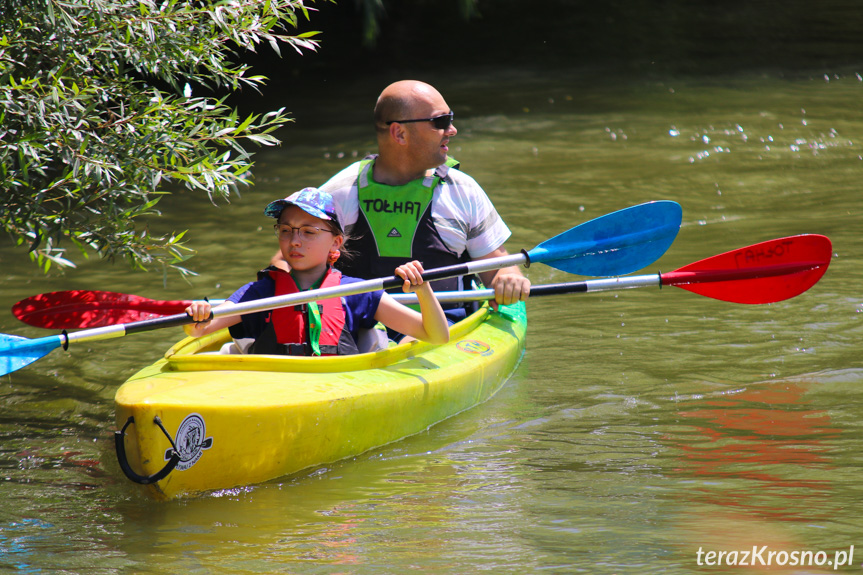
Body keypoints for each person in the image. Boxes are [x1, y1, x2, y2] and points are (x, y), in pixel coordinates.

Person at [273, 80, 530, 324]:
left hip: (445, 327)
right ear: (399, 133)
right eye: (440, 121)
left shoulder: (463, 191)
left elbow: (497, 268)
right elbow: (286, 260)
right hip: (358, 326)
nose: (452, 130)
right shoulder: (340, 193)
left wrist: (510, 278)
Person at [184, 188, 450, 355]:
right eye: (286, 230)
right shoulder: (261, 293)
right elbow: (198, 331)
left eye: (309, 232)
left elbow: (436, 336)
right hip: (273, 387)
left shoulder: (357, 292)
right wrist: (198, 315)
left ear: (336, 242)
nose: (294, 241)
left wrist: (423, 289)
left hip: (335, 387)